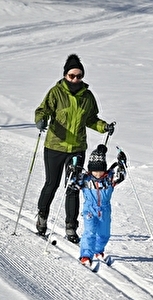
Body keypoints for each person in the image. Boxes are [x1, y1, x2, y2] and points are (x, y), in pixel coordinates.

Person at [34, 54, 115, 243]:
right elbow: (43, 110)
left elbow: (91, 119)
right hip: (55, 146)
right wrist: (40, 120)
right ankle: (42, 217)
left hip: (77, 148)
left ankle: (71, 227)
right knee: (51, 184)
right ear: (65, 75)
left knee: (73, 187)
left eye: (79, 76)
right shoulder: (56, 92)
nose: (75, 79)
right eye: (72, 75)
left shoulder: (87, 97)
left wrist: (104, 126)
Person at [68, 144, 126, 266]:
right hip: (89, 209)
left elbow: (121, 176)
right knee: (89, 233)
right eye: (95, 171)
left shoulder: (109, 179)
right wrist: (72, 170)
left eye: (100, 170)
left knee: (104, 234)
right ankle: (85, 255)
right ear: (90, 170)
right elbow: (72, 183)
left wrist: (122, 163)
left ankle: (98, 250)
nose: (98, 174)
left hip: (105, 210)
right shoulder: (85, 179)